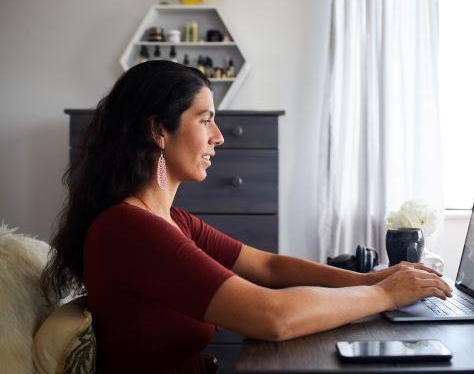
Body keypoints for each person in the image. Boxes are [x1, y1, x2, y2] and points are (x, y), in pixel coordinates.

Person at [41, 60, 452, 373]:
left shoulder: (173, 220)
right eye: (205, 120)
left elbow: (268, 267)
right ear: (158, 131)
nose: (218, 136)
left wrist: (372, 279)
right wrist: (386, 295)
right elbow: (271, 317)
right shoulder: (129, 229)